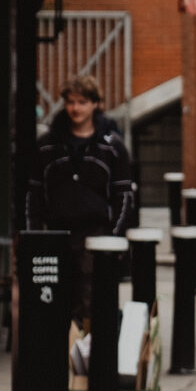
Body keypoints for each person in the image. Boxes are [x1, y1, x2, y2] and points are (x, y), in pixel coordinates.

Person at [27, 74, 136, 323]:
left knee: (92, 307)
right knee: (54, 306)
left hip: (95, 236)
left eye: (82, 102)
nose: (75, 108)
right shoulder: (46, 145)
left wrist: (114, 237)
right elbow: (33, 195)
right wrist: (32, 236)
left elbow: (124, 197)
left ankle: (89, 360)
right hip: (56, 235)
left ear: (96, 104)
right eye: (71, 102)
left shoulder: (113, 147)